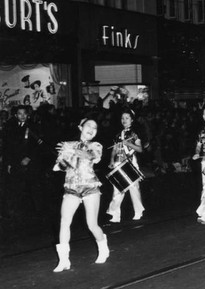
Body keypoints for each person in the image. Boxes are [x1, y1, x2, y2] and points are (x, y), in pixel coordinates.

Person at [52, 118, 109, 272]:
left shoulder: (96, 145)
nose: (92, 129)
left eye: (95, 127)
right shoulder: (67, 145)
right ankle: (64, 260)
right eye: (88, 126)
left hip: (90, 186)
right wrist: (64, 157)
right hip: (71, 187)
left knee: (92, 224)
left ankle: (103, 246)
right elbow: (61, 167)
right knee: (64, 222)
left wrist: (72, 151)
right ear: (80, 127)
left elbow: (92, 156)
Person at [107, 109, 145, 223]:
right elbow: (114, 149)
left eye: (127, 118)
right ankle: (115, 214)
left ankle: (138, 211)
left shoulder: (134, 134)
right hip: (119, 162)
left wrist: (128, 143)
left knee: (134, 188)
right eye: (122, 118)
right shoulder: (118, 134)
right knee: (118, 189)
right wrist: (111, 160)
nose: (124, 120)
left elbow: (140, 149)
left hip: (130, 162)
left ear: (132, 120)